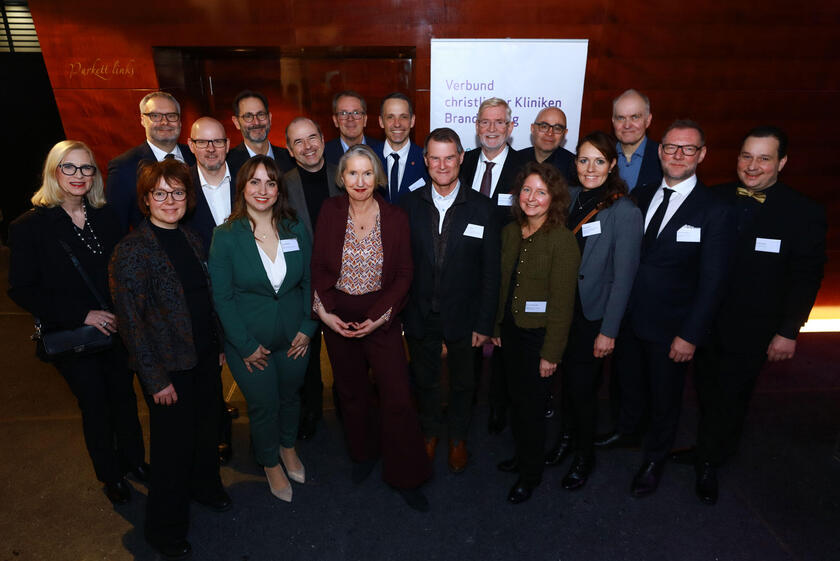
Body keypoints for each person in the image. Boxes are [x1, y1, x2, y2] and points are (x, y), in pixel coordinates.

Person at [672, 126, 827, 504]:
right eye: (746, 156)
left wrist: (788, 331)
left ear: (782, 162)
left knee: (732, 395)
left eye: (764, 158)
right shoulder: (715, 196)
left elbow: (806, 278)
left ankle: (711, 461)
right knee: (706, 389)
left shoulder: (803, 212)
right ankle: (710, 447)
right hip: (706, 323)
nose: (752, 166)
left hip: (754, 328)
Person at [8, 140, 147, 506]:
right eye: (69, 167)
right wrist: (82, 314)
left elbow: (120, 269)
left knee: (124, 398)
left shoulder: (106, 215)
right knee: (95, 405)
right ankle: (110, 475)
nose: (79, 175)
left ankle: (134, 461)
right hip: (74, 334)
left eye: (86, 168)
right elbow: (22, 289)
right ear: (53, 172)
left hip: (116, 329)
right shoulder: (29, 227)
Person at [606, 120, 735, 498]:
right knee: (629, 384)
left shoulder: (715, 210)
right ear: (659, 151)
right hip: (629, 318)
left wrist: (690, 335)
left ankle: (655, 459)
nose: (678, 155)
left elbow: (714, 282)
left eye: (688, 148)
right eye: (671, 147)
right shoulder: (641, 194)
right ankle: (628, 431)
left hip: (672, 327)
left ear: (702, 154)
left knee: (665, 398)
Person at [110, 159, 230, 560]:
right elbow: (131, 324)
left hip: (204, 357)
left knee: (206, 431)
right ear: (145, 200)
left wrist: (218, 345)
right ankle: (163, 530)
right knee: (171, 451)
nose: (169, 200)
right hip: (168, 370)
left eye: (177, 192)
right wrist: (155, 379)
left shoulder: (192, 238)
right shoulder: (131, 251)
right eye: (159, 193)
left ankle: (204, 488)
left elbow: (205, 299)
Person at [311, 144, 432, 511]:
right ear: (342, 177)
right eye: (353, 173)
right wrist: (325, 314)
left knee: (397, 395)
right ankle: (363, 454)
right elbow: (318, 266)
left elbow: (405, 273)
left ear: (377, 177)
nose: (360, 181)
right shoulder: (330, 210)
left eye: (367, 173)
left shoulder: (395, 217)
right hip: (337, 315)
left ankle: (406, 474)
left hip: (382, 316)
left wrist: (381, 317)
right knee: (351, 392)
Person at [209, 155, 317, 502]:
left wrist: (308, 326)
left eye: (270, 183)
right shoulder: (225, 236)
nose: (263, 190)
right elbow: (222, 297)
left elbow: (310, 281)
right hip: (249, 342)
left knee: (290, 397)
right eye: (254, 182)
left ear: (279, 189)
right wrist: (244, 344)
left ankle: (288, 447)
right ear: (242, 187)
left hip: (295, 338)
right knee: (263, 405)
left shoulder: (294, 228)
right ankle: (270, 461)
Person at [543, 131, 642, 490]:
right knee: (565, 385)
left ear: (612, 164)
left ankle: (585, 457)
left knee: (583, 391)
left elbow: (624, 278)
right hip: (562, 312)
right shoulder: (569, 198)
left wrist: (608, 331)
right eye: (584, 160)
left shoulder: (624, 211)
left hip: (592, 317)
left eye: (599, 161)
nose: (590, 168)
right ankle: (566, 439)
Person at [400, 128, 500, 473]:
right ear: (426, 160)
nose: (442, 165)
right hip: (420, 313)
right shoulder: (408, 206)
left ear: (461, 158)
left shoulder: (483, 208)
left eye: (449, 158)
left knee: (464, 384)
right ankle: (429, 433)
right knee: (424, 380)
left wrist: (485, 323)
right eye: (435, 158)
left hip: (466, 316)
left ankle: (458, 438)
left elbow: (491, 273)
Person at [492, 161, 580, 503]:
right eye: (526, 190)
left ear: (553, 198)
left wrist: (551, 354)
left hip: (539, 339)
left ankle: (531, 474)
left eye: (541, 192)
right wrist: (497, 327)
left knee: (532, 408)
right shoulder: (510, 232)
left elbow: (562, 304)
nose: (531, 198)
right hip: (511, 332)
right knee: (517, 402)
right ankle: (522, 456)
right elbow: (503, 285)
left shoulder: (562, 240)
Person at [459, 97, 526, 434]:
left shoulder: (524, 168)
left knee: (503, 343)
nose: (492, 129)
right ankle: (466, 403)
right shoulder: (463, 162)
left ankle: (499, 406)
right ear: (476, 126)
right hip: (468, 270)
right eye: (485, 121)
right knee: (470, 339)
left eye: (499, 122)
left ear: (510, 127)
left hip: (509, 270)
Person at [282, 116, 342, 439]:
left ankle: (346, 407)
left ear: (322, 138)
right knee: (306, 354)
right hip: (301, 285)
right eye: (298, 142)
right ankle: (311, 410)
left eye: (312, 137)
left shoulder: (343, 175)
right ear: (290, 150)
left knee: (344, 353)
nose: (307, 147)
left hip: (343, 284)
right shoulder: (282, 186)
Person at [106, 91, 196, 233]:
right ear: (143, 120)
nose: (164, 122)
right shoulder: (123, 167)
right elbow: (116, 228)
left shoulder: (196, 156)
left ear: (179, 121)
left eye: (171, 116)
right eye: (155, 116)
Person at [227, 89, 295, 179]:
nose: (256, 122)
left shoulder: (291, 158)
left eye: (261, 114)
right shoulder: (227, 164)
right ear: (236, 122)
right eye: (248, 116)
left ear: (269, 118)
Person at [377, 92, 428, 203]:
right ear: (381, 122)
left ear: (412, 121)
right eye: (390, 117)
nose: (397, 124)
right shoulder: (369, 158)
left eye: (403, 117)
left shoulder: (425, 160)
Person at [611, 89, 662, 192]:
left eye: (634, 117)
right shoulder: (603, 155)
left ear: (648, 120)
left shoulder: (664, 157)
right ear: (613, 121)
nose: (627, 125)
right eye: (621, 118)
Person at [323, 91, 384, 165]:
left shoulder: (382, 152)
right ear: (335, 120)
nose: (350, 118)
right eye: (343, 113)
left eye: (356, 113)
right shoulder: (323, 155)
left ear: (365, 119)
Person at [520, 107, 576, 184]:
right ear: (533, 129)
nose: (550, 133)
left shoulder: (574, 167)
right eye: (544, 126)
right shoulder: (515, 160)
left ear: (564, 133)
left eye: (557, 128)